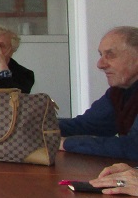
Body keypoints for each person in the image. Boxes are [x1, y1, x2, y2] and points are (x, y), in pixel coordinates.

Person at [59, 26, 138, 160]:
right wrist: (36, 127)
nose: (100, 64)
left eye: (110, 55)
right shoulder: (119, 92)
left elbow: (133, 147)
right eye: (101, 55)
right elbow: (86, 126)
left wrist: (66, 143)